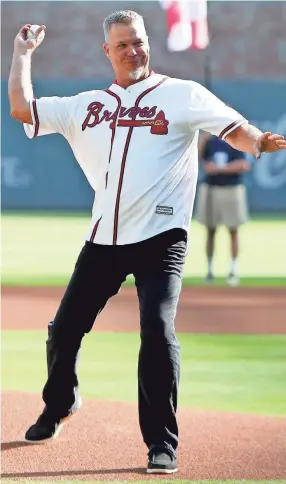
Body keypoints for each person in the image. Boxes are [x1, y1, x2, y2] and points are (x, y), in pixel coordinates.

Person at [8, 10, 286, 475]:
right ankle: (60, 404)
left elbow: (232, 127)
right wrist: (21, 54)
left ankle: (161, 441)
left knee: (157, 332)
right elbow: (22, 107)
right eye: (122, 45)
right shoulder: (87, 105)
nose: (132, 50)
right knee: (63, 330)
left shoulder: (181, 94)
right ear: (107, 52)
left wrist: (258, 142)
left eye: (137, 41)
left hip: (161, 237)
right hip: (105, 239)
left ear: (147, 43)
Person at [196, 133, 251, 286]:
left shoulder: (236, 140)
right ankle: (209, 270)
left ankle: (233, 270)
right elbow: (196, 158)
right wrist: (203, 139)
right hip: (211, 188)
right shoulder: (210, 141)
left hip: (231, 188)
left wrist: (220, 169)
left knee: (233, 230)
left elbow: (244, 164)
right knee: (210, 230)